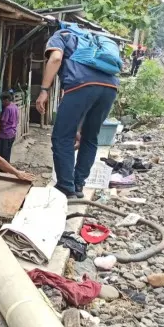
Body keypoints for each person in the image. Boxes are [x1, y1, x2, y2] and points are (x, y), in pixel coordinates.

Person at [36, 28, 118, 199]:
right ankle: (78, 184)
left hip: (81, 84)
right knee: (90, 137)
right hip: (110, 87)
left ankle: (66, 187)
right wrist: (77, 128)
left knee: (61, 137)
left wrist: (44, 90)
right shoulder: (94, 40)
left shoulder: (60, 35)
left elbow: (56, 58)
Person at [0, 92, 19, 171]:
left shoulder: (7, 108)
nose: (2, 103)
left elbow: (3, 122)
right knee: (7, 153)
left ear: (7, 100)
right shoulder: (15, 106)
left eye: (2, 101)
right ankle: (5, 169)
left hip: (4, 134)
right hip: (12, 134)